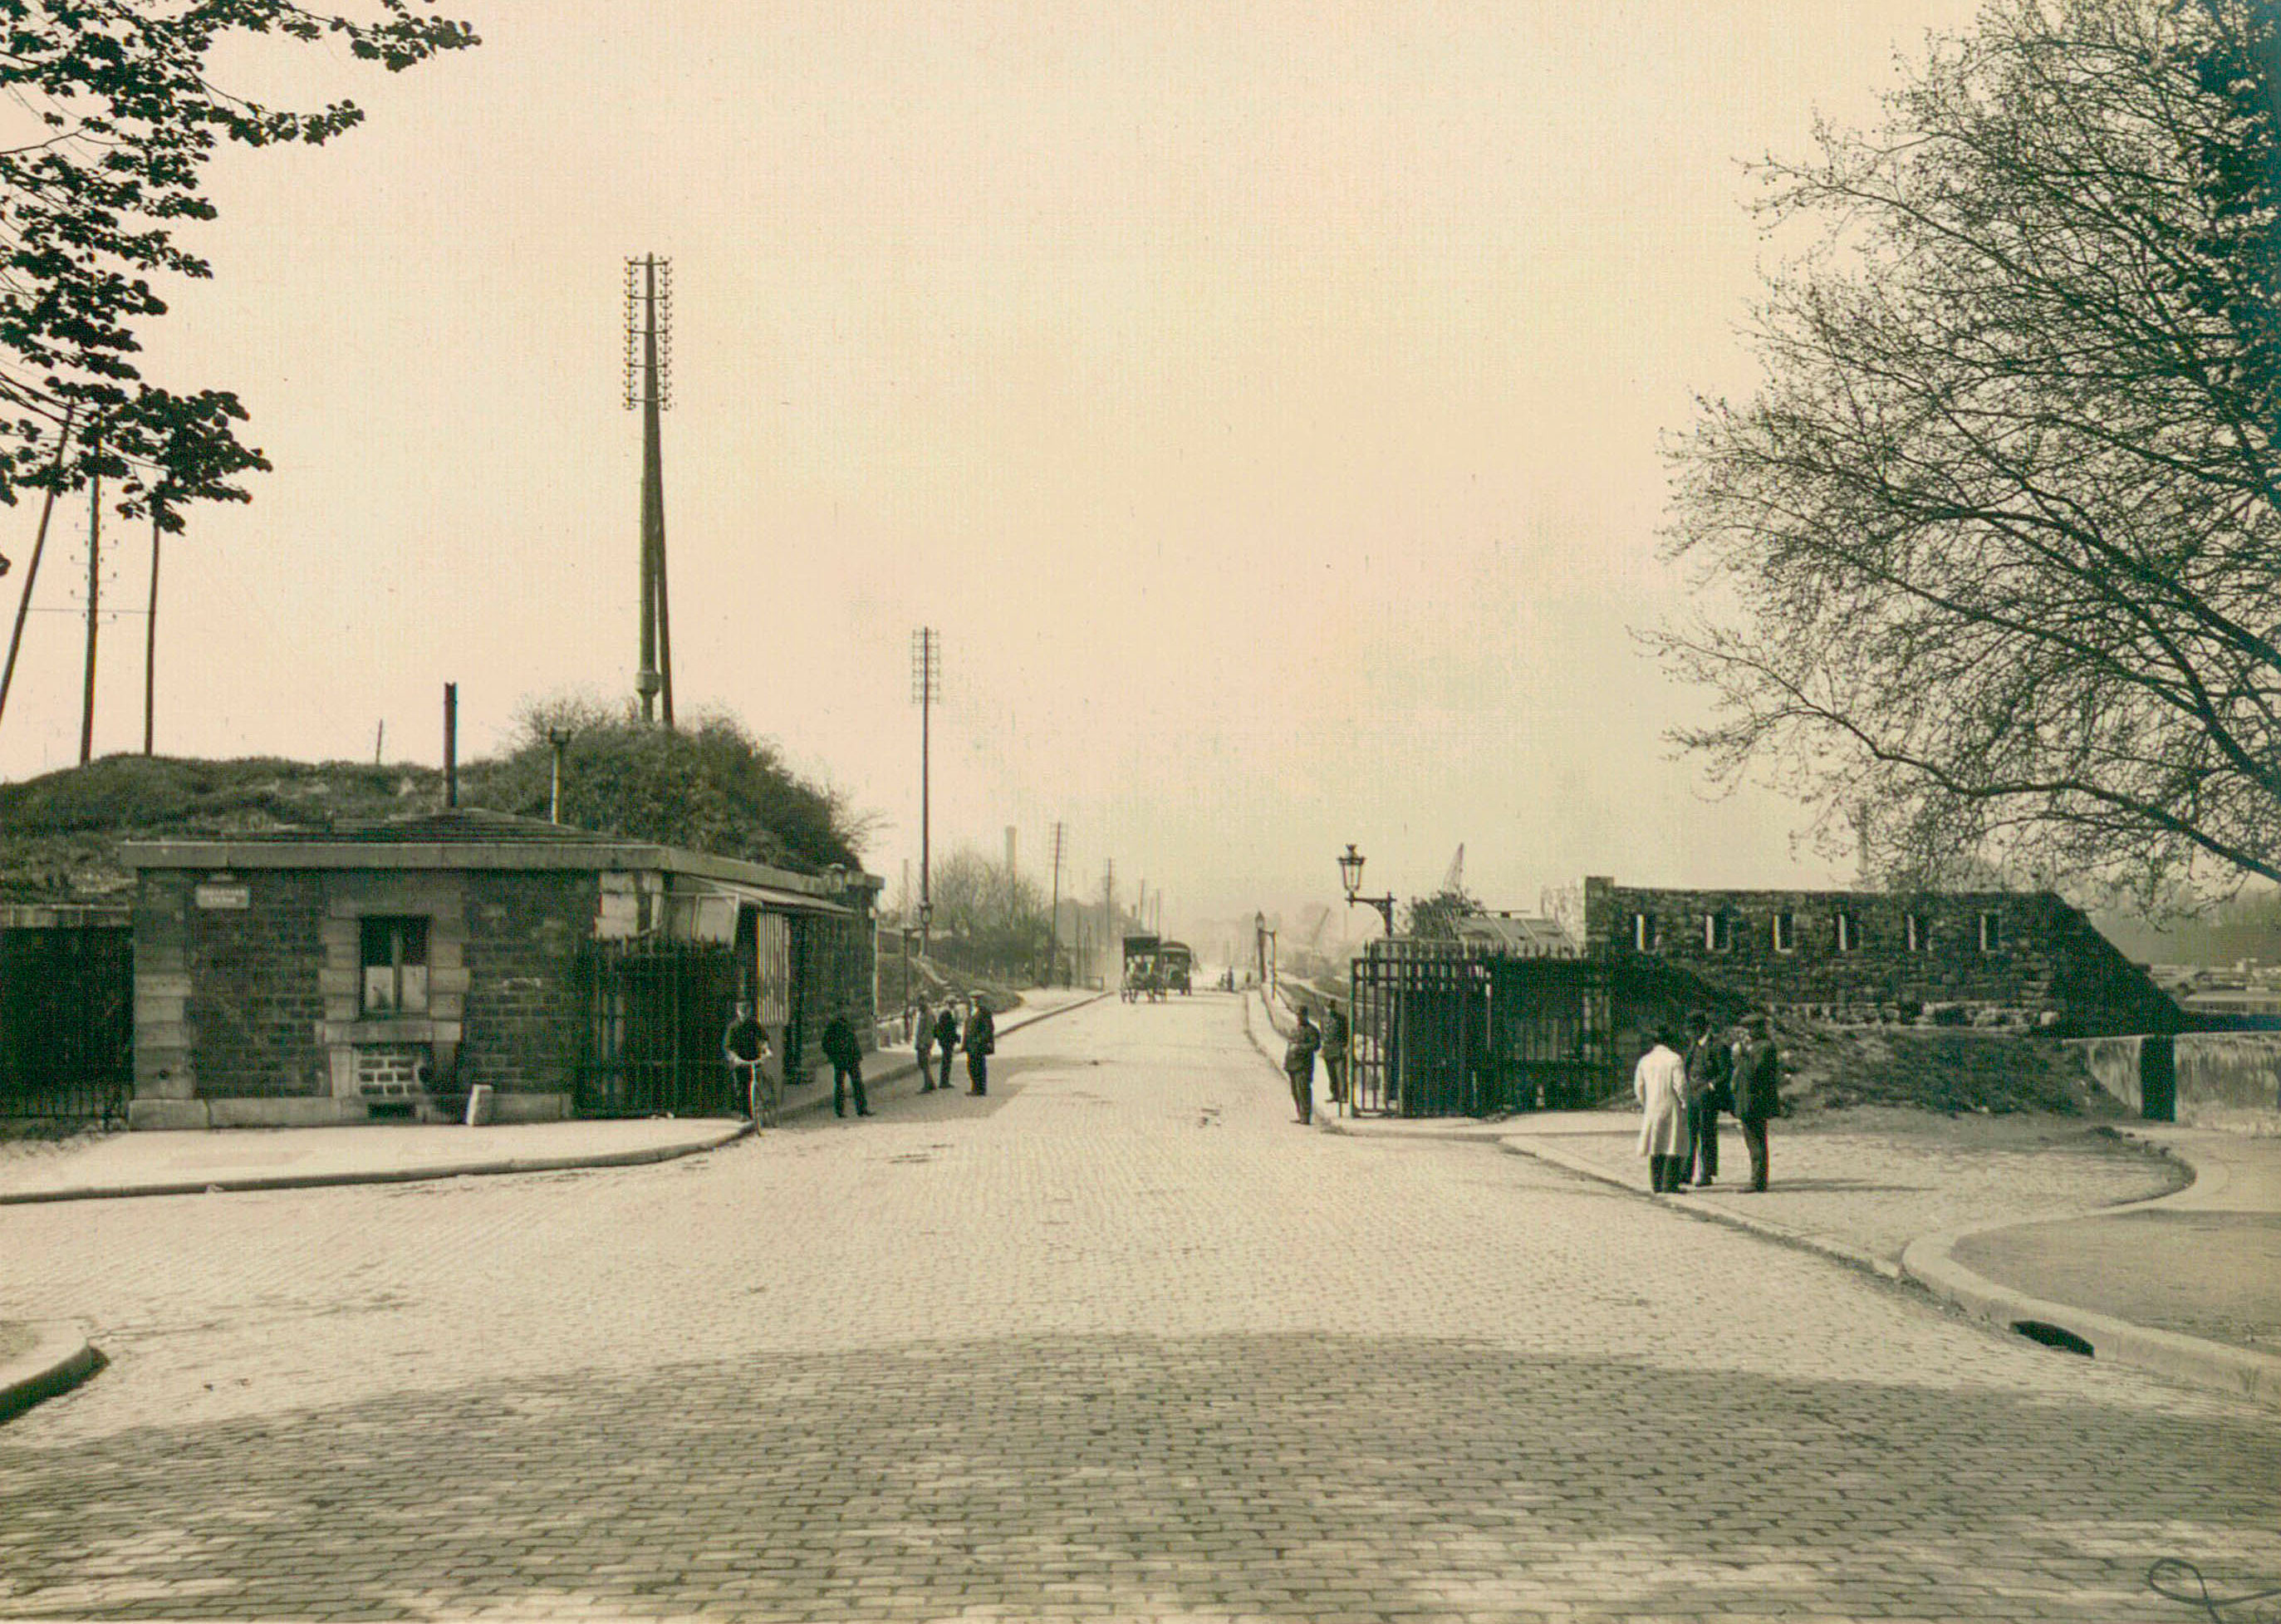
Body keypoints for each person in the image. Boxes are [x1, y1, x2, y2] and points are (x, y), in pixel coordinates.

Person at [1634, 1028, 1690, 1193]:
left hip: (1653, 1106)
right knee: (1673, 1143)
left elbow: (1639, 1087)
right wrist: (1685, 1103)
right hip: (1671, 1105)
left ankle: (1656, 1184)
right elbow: (1680, 1085)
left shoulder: (1645, 1060)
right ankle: (1670, 1184)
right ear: (1670, 1042)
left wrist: (1646, 1103)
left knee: (1656, 1143)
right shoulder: (1674, 1059)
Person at [1732, 1013, 1783, 1191]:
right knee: (1752, 1140)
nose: (1745, 1033)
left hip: (1756, 1100)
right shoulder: (1754, 1047)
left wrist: (1742, 1053)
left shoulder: (1764, 1047)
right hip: (1748, 1098)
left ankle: (1758, 1180)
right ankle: (1757, 1179)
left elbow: (1755, 1071)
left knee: (1756, 1141)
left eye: (1749, 1029)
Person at [1682, 1010, 1732, 1188]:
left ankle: (1706, 1173)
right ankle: (1686, 1172)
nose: (1689, 1033)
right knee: (1689, 1134)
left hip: (1708, 1097)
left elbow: (1726, 1073)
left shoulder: (1718, 1047)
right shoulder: (1693, 1047)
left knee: (1707, 1135)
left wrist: (1710, 1087)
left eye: (1692, 1029)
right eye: (1688, 1030)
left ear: (1701, 1029)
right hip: (1692, 1095)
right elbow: (1687, 1068)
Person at [722, 1000, 774, 1125]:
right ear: (737, 1012)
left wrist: (766, 1050)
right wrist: (735, 1058)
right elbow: (728, 1046)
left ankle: (759, 1105)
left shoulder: (754, 1024)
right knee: (740, 1087)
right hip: (740, 1061)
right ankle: (744, 1113)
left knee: (755, 1081)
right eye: (741, 1012)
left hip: (753, 1058)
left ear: (749, 1011)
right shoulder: (733, 1027)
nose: (743, 1015)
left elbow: (764, 1038)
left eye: (746, 1012)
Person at [820, 1009, 869, 1118]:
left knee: (857, 1084)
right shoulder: (833, 1027)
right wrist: (833, 1056)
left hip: (852, 1059)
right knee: (841, 1085)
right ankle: (840, 1110)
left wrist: (857, 1055)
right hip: (841, 1059)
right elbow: (825, 1044)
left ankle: (862, 1109)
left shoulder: (848, 1024)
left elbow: (854, 1042)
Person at [1284, 1005, 1322, 1125]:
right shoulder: (1295, 1029)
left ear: (1306, 1016)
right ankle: (1300, 1115)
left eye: (1301, 1016)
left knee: (1303, 1092)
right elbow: (1289, 1046)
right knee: (1295, 1092)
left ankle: (1306, 1117)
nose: (1298, 1018)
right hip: (1292, 1065)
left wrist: (1299, 1048)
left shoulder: (1312, 1030)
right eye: (1297, 1016)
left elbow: (1315, 1046)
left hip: (1304, 1066)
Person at [963, 998, 996, 1095]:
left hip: (978, 1045)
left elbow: (989, 1028)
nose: (974, 1001)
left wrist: (979, 1039)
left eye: (976, 999)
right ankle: (974, 1087)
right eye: (972, 999)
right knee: (971, 1066)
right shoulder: (970, 1012)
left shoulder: (984, 1012)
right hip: (970, 1045)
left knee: (979, 1067)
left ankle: (980, 1089)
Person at [1319, 1004, 1351, 1108]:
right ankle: (1335, 1094)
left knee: (1341, 1073)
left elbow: (1347, 1033)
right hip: (1328, 1049)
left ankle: (1344, 1095)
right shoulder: (1323, 1020)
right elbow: (1323, 1034)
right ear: (1325, 1008)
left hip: (1339, 1048)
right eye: (1328, 1008)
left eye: (1331, 1008)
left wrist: (1346, 1046)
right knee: (1331, 1073)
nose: (1330, 1010)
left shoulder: (1341, 1019)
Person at [913, 997, 938, 1092]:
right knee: (922, 1063)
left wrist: (923, 1043)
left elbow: (929, 1030)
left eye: (921, 1002)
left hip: (925, 1043)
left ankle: (927, 1086)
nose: (919, 1004)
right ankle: (931, 1084)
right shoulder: (923, 1013)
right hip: (921, 1042)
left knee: (924, 1063)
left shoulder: (928, 1014)